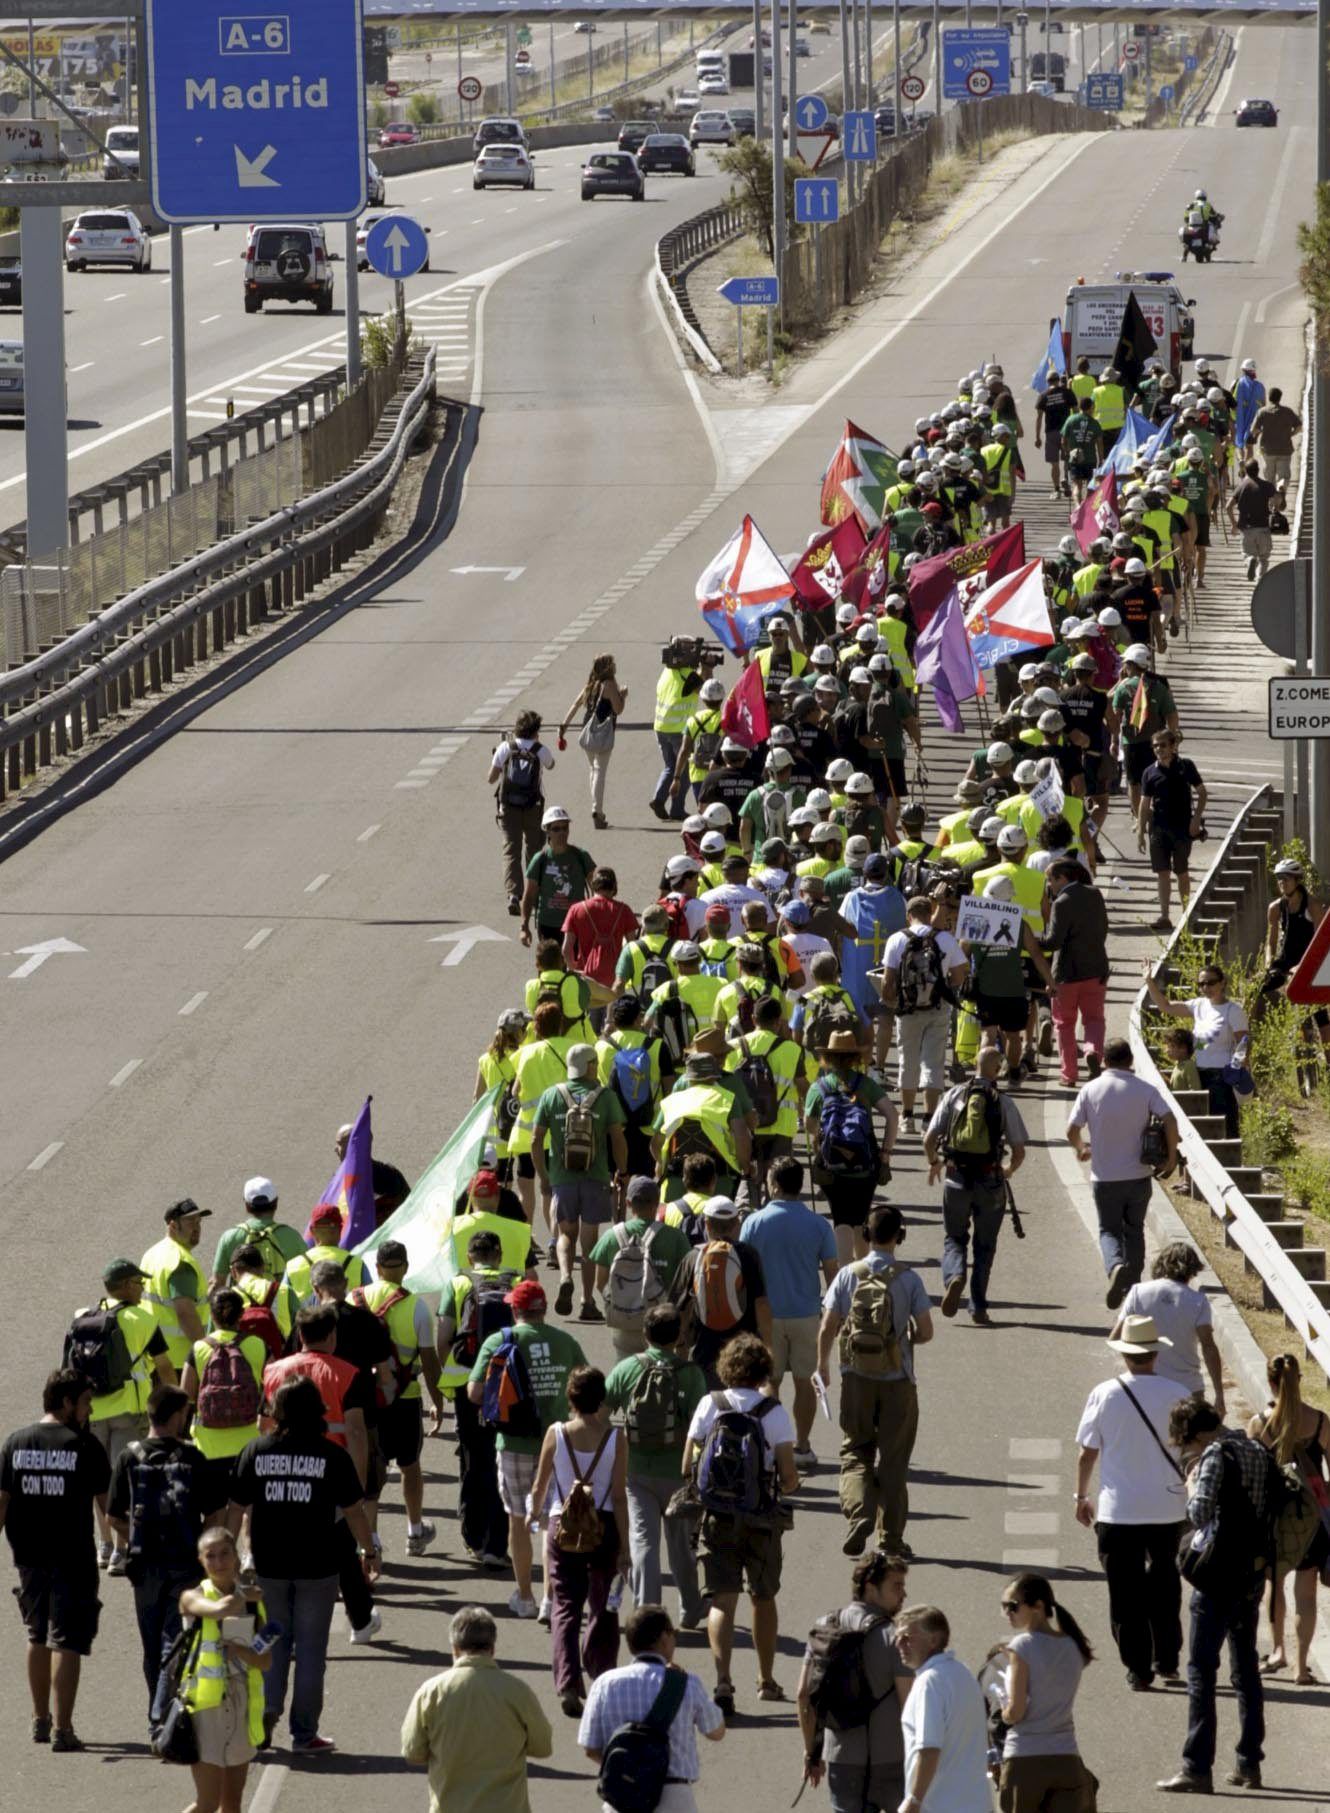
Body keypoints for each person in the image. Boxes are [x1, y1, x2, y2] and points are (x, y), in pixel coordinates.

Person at [227, 1375, 375, 1755]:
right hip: (318, 1568)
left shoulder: (256, 1451)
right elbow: (355, 1512)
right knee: (311, 1650)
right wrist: (368, 1551)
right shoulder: (331, 1456)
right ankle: (304, 1733)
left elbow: (236, 1509)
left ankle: (265, 1715)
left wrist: (228, 1556)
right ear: (318, 1411)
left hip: (269, 1568)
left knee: (272, 1642)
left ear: (277, 1411)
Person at [1157, 1394, 1271, 1794]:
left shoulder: (1215, 1455)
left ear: (1196, 1434)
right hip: (1252, 1575)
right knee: (1246, 1672)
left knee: (1202, 1672)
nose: (1186, 1451)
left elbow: (1200, 1512)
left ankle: (1196, 1766)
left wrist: (1191, 1487)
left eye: (1186, 1444)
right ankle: (1248, 1764)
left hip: (1217, 1577)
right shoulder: (1255, 1446)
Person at [683, 1332, 800, 1720]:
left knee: (721, 1599)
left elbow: (687, 1466)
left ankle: (722, 1680)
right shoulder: (774, 1413)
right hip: (761, 1517)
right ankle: (766, 1680)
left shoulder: (709, 1405)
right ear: (763, 1369)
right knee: (763, 1598)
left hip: (717, 1516)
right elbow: (788, 1477)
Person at [1073, 1315, 1189, 1689]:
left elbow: (1087, 1453)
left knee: (1125, 1594)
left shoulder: (1105, 1394)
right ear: (1155, 1353)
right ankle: (1167, 1659)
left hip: (1119, 1510)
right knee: (1166, 1586)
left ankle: (1138, 1668)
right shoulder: (1177, 1392)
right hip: (1169, 1507)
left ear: (1125, 1355)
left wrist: (1081, 1496)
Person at [0, 1368, 110, 1751]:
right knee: (67, 1641)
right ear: (66, 1403)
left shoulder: (15, 1443)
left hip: (28, 1557)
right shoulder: (84, 1446)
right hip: (73, 1557)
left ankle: (40, 1720)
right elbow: (106, 1505)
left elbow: (2, 1502)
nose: (88, 1410)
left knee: (36, 1635)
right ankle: (64, 1729)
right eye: (84, 1402)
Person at [816, 1203, 933, 1559]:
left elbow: (828, 1326)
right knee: (894, 1462)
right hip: (898, 1380)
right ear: (900, 1236)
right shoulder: (909, 1279)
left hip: (856, 1379)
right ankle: (891, 1539)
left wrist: (822, 1366)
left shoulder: (849, 1274)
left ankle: (859, 1513)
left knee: (855, 1451)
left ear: (866, 1235)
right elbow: (926, 1332)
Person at [466, 1279, 587, 1620]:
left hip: (514, 1443)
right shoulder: (566, 1341)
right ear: (544, 1308)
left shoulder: (499, 1340)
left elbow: (474, 1392)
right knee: (554, 1521)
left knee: (518, 1520)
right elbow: (586, 1386)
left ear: (514, 1309)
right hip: (558, 1442)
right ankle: (551, 1599)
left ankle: (525, 1596)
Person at [261, 1304, 378, 1645]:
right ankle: (360, 1620)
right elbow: (356, 1432)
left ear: (299, 1336)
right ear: (332, 1336)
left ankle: (281, 1628)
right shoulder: (348, 1373)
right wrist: (355, 1482)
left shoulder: (273, 1372)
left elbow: (263, 1425)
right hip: (330, 1469)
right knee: (342, 1546)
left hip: (282, 1469)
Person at [528, 1364, 630, 1717]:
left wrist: (533, 1514)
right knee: (603, 1605)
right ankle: (601, 1673)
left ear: (569, 1397)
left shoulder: (556, 1433)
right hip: (603, 1525)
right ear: (601, 1398)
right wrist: (626, 1547)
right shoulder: (616, 1438)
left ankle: (569, 1682)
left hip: (563, 1524)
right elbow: (618, 1496)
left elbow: (540, 1485)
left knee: (566, 1605)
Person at [108, 1383, 207, 1727]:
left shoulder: (129, 1457)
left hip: (144, 1566)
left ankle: (158, 1710)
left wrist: (136, 1536)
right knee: (175, 1641)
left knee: (152, 1647)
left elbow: (112, 1516)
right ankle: (162, 1717)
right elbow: (215, 1511)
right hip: (186, 1564)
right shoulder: (193, 1457)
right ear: (177, 1416)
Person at [603, 1304, 707, 1631]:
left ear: (644, 1333)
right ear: (678, 1336)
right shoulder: (691, 1375)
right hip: (678, 1474)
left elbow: (601, 1413)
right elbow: (700, 1428)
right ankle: (691, 1608)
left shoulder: (627, 1369)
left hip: (636, 1472)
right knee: (681, 1548)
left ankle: (647, 1613)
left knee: (643, 1542)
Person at [401, 1605, 553, 1813]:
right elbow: (543, 1747)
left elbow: (413, 1751)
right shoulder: (518, 1691)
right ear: (492, 1649)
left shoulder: (431, 1692)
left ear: (454, 1648)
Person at [739, 1155, 839, 1468]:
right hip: (807, 1314)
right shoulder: (819, 1225)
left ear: (774, 1185)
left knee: (769, 1381)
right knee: (804, 1381)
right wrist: (834, 1318)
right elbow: (833, 1276)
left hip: (764, 1315)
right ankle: (803, 1445)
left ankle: (772, 1445)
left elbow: (741, 1270)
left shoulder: (754, 1222)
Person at [578, 1604, 726, 1813]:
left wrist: (630, 1772)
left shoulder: (604, 1683)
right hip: (675, 1797)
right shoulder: (686, 1683)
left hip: (621, 1798)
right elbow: (716, 1731)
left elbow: (590, 1748)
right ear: (664, 1638)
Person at [76, 1255, 174, 1570]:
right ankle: (121, 1550)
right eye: (139, 1282)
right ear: (127, 1286)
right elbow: (164, 1367)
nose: (144, 1287)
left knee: (98, 1482)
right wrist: (174, 1401)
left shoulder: (83, 1316)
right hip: (129, 1411)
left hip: (92, 1410)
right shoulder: (144, 1320)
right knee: (126, 1481)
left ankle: (103, 1546)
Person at [797, 1549, 913, 1813]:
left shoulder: (824, 1627)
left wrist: (812, 1753)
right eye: (897, 1586)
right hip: (893, 1761)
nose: (903, 1594)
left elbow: (804, 1694)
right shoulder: (895, 1636)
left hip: (842, 1759)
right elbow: (910, 1706)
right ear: (871, 1588)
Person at [1067, 1037, 1178, 1308]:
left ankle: (1115, 1266)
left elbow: (1071, 1130)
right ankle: (1132, 1283)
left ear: (1104, 1060)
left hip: (1104, 1178)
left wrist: (1082, 1149)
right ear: (1130, 1060)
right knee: (1135, 1229)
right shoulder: (1145, 1089)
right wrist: (1171, 1157)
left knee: (1108, 1231)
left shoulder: (1090, 1090)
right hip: (1138, 1176)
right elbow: (1170, 1119)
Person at [352, 1239, 444, 1557]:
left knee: (369, 1471)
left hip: (364, 1402)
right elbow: (430, 1362)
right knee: (410, 1466)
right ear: (405, 1268)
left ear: (376, 1268)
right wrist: (439, 1401)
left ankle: (370, 1541)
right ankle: (415, 1533)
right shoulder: (417, 1306)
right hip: (405, 1398)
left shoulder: (355, 1300)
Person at [924, 1048, 1027, 1327]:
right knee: (985, 1245)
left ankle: (955, 1275)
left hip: (956, 1178)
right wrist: (1008, 1170)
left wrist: (935, 1161)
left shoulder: (954, 1095)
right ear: (996, 1069)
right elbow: (1019, 1150)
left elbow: (929, 1137)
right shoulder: (1003, 1102)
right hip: (990, 1180)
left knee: (954, 1238)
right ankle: (978, 1306)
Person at [531, 1040, 629, 1322]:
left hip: (562, 1180)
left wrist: (545, 1176)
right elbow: (617, 1137)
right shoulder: (605, 1097)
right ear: (590, 1066)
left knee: (565, 1235)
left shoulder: (552, 1095)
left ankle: (564, 1276)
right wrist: (621, 1169)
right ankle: (587, 1301)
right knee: (589, 1244)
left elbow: (535, 1140)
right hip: (595, 1178)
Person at [1247, 1352, 1329, 1685]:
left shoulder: (1258, 1423)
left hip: (1274, 1518)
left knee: (1274, 1583)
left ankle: (1278, 1650)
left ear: (1270, 1382)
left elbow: (1251, 1474)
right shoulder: (1320, 1422)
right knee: (1306, 1593)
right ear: (1299, 1382)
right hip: (1311, 1517)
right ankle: (1300, 1666)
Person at [177, 1524, 272, 1808]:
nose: (218, 1562)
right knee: (207, 1803)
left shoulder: (255, 1606)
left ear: (237, 1557)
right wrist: (244, 1595)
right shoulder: (192, 1597)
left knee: (232, 1802)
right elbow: (219, 1610)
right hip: (206, 1710)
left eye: (224, 1554)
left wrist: (242, 1651)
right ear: (201, 1561)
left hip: (241, 1706)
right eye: (211, 1556)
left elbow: (265, 1661)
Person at [995, 1572, 1097, 1813]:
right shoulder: (1073, 1646)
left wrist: (1004, 1712)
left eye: (1012, 1606)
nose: (1007, 1613)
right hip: (1067, 1758)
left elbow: (1016, 1712)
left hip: (1025, 1759)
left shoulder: (1022, 1646)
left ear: (1038, 1607)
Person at [805, 1028, 897, 1267]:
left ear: (828, 1057)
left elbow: (809, 1124)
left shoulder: (819, 1088)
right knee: (860, 1219)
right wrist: (885, 1153)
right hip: (865, 1163)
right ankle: (865, 1272)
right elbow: (892, 1115)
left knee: (841, 1219)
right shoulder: (865, 1084)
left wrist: (821, 1145)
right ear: (855, 1057)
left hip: (833, 1164)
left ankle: (845, 1275)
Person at [878, 896, 968, 1131]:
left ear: (908, 915)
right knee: (933, 1062)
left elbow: (888, 980)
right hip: (937, 1008)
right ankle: (929, 1117)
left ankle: (907, 1116)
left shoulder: (896, 939)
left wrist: (890, 1000)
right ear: (931, 913)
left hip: (907, 1009)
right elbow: (959, 975)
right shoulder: (946, 939)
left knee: (907, 1060)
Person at [181, 1286, 268, 1522]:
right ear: (242, 1316)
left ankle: (215, 1556)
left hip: (207, 1446)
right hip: (248, 1443)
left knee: (214, 1511)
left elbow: (186, 1394)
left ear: (212, 1316)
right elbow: (268, 1390)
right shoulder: (257, 1345)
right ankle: (248, 1556)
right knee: (249, 1507)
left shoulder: (199, 1348)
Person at [895, 1604, 991, 1813]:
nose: (898, 1644)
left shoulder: (929, 1682)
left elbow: (929, 1749)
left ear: (934, 1639)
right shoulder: (961, 1673)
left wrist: (913, 1801)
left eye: (906, 1637)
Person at [669, 1194, 771, 1385]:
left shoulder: (693, 1257)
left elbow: (678, 1308)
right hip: (744, 1352)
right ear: (736, 1224)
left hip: (704, 1351)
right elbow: (762, 1304)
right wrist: (768, 1345)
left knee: (709, 1408)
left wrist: (680, 1347)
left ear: (706, 1224)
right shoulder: (749, 1255)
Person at [1143, 958, 1250, 1138]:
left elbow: (1244, 1044)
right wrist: (1149, 981)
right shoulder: (1198, 1005)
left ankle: (1227, 1162)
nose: (1205, 988)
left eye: (1210, 983)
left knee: (1225, 1124)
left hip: (1222, 1075)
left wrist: (1238, 1072)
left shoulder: (1233, 1010)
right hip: (1198, 1072)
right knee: (1203, 1126)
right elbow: (1166, 1006)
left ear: (1223, 983)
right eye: (1201, 984)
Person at [1112, 1243, 1225, 1411]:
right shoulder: (1198, 1301)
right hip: (1187, 1388)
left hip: (1144, 1384)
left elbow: (1115, 1337)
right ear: (1192, 1270)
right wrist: (1219, 1395)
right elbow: (1208, 1347)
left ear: (1161, 1264)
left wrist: (1135, 1365)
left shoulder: (1137, 1292)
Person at [591, 1175, 691, 1358]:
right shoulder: (675, 1237)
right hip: (664, 1324)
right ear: (657, 1203)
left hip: (626, 1323)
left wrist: (620, 1304)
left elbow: (600, 1282)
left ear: (628, 1203)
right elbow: (687, 1283)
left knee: (626, 1373)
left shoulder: (612, 1236)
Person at [1044, 859, 1110, 1086]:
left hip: (1066, 973)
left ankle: (1069, 1074)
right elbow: (1104, 928)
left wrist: (1029, 942)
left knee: (1064, 1023)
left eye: (1050, 879)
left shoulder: (1061, 902)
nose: (1049, 885)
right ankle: (1093, 1052)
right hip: (1096, 968)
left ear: (1063, 878)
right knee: (1094, 1018)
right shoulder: (1095, 893)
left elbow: (1053, 942)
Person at [488, 708, 556, 916]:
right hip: (533, 806)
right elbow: (551, 765)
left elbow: (491, 778)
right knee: (534, 850)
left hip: (508, 807)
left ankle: (513, 895)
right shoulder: (539, 749)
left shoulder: (505, 747)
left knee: (511, 850)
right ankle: (533, 894)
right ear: (536, 731)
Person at [1138, 731, 1207, 930]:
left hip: (1182, 829)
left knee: (1182, 871)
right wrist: (1141, 832)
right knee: (1162, 872)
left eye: (1163, 745)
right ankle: (1165, 916)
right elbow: (1144, 804)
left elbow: (1202, 793)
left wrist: (1195, 820)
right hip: (1158, 830)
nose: (1159, 749)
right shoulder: (1149, 773)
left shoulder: (1186, 767)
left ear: (1172, 745)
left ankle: (1186, 915)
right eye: (1155, 746)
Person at [141, 1196, 211, 1373]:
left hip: (154, 1358)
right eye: (190, 1222)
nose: (197, 1227)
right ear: (172, 1226)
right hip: (181, 1362)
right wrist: (206, 1353)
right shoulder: (180, 1262)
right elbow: (185, 1312)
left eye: (199, 1221)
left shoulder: (152, 1254)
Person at [559, 653, 626, 831]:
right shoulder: (609, 685)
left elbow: (575, 704)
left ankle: (597, 808)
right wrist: (623, 696)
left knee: (592, 769)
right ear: (609, 668)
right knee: (600, 771)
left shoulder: (591, 684)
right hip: (602, 734)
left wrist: (563, 727)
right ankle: (597, 811)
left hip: (587, 731)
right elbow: (618, 709)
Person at [519, 804, 596, 951]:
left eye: (565, 827)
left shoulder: (581, 856)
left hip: (576, 925)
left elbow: (597, 890)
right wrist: (524, 927)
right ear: (547, 831)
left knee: (574, 972)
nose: (562, 832)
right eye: (556, 829)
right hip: (548, 926)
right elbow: (529, 896)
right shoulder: (540, 859)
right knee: (549, 972)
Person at [209, 1176, 306, 1291]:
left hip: (241, 1307)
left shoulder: (229, 1237)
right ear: (276, 1203)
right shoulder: (291, 1236)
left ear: (246, 1205)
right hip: (280, 1306)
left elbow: (217, 1282)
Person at [1227, 459, 1283, 583]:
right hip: (1263, 528)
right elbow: (1278, 498)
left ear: (1246, 471)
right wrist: (1276, 508)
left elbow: (1228, 506)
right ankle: (1260, 580)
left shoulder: (1241, 486)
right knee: (1264, 558)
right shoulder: (1267, 485)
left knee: (1247, 554)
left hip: (1246, 529)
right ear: (1258, 471)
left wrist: (1233, 524)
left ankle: (1250, 560)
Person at [1249, 386, 1301, 486]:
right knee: (1284, 477)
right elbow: (1299, 427)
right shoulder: (1288, 411)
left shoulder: (1262, 412)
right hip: (1285, 450)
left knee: (1269, 478)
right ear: (1280, 398)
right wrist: (1291, 434)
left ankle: (1271, 497)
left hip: (1268, 450)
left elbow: (1253, 430)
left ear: (1269, 397)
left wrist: (1261, 431)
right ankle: (1281, 488)